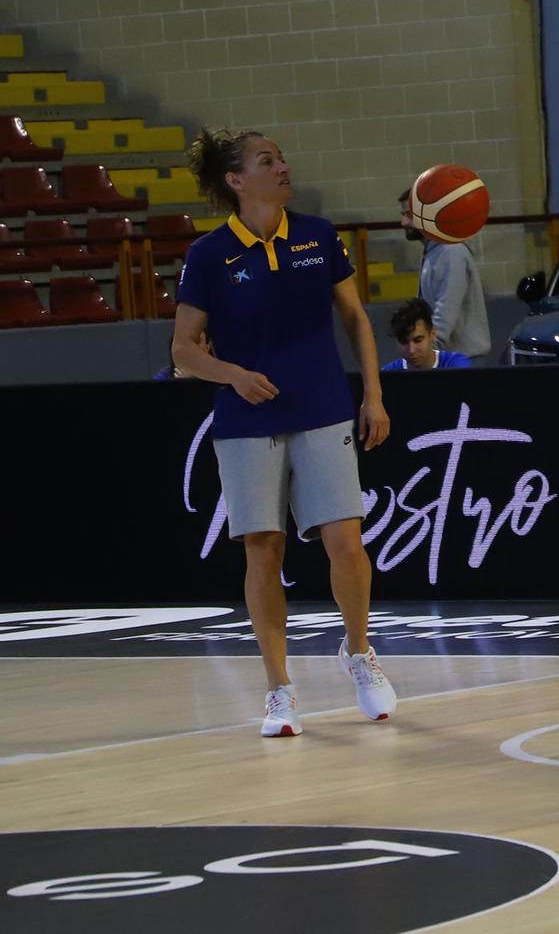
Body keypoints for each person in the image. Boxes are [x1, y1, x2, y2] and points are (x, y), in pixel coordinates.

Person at [171, 129, 395, 738]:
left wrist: (372, 394)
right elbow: (183, 349)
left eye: (282, 157)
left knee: (345, 542)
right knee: (262, 550)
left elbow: (354, 317)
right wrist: (235, 376)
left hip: (323, 408)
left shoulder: (319, 236)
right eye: (267, 161)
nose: (283, 166)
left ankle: (359, 652)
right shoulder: (208, 255)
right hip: (247, 421)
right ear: (236, 181)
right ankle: (279, 689)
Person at [400, 187, 490, 360]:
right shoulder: (434, 251)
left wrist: (423, 356)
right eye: (403, 214)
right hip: (446, 362)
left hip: (461, 365)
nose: (403, 222)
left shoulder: (450, 253)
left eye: (409, 215)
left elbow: (443, 318)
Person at [381, 298, 471, 371]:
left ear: (432, 334)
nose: (411, 350)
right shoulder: (388, 373)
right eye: (404, 342)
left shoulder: (456, 364)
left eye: (418, 340)